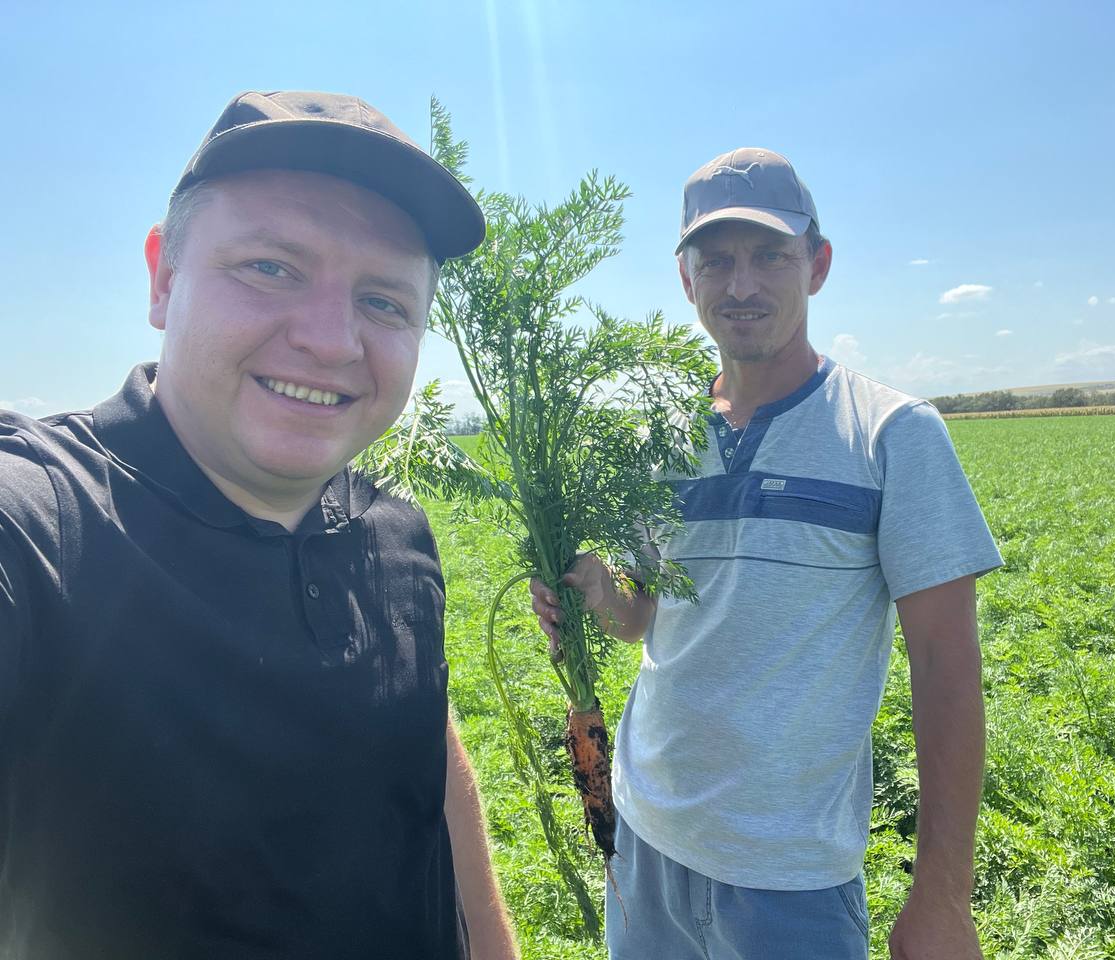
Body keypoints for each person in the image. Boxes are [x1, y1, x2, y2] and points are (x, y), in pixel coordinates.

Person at [0, 91, 517, 959]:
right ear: (164, 279)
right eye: (271, 267)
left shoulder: (399, 534)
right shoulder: (44, 528)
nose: (331, 340)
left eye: (384, 301)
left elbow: (428, 758)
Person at [530, 148, 1004, 959]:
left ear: (817, 266)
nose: (741, 284)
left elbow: (948, 671)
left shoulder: (892, 434)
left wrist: (944, 899)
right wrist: (602, 597)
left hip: (790, 881)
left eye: (770, 256)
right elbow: (644, 616)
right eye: (716, 260)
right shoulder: (656, 439)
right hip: (644, 840)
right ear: (686, 280)